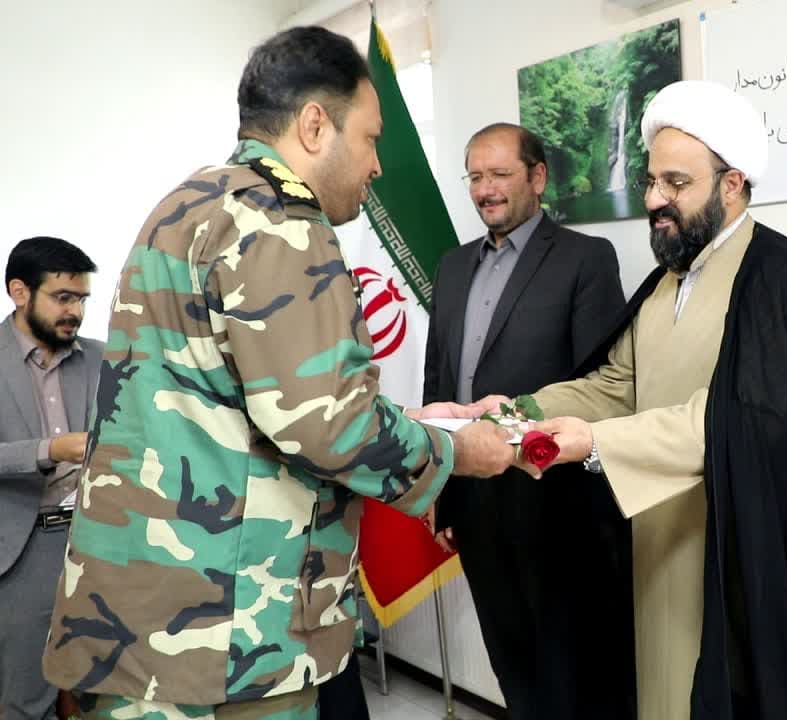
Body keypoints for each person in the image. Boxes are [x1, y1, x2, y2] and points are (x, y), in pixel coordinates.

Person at [41, 27, 521, 719]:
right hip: (226, 633)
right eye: (371, 139)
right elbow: (330, 427)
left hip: (135, 611)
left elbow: (241, 401)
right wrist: (459, 452)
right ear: (315, 125)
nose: (376, 166)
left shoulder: (188, 203)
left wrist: (418, 419)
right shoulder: (280, 219)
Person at [513, 80, 787, 719]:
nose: (654, 199)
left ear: (731, 183)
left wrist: (596, 443)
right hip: (659, 538)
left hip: (738, 551)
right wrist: (513, 412)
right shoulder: (666, 282)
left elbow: (744, 420)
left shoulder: (778, 276)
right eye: (652, 180)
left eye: (676, 183)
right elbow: (616, 384)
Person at [424, 122, 633, 720]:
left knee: (574, 671)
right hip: (473, 499)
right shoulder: (452, 267)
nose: (485, 189)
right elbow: (439, 383)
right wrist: (438, 486)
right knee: (510, 658)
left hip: (557, 502)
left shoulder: (586, 259)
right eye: (475, 177)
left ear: (537, 177)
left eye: (499, 174)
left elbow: (606, 383)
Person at [0, 237, 99, 720]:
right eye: (62, 297)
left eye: (81, 299)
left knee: (101, 691)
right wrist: (50, 451)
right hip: (20, 551)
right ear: (19, 292)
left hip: (99, 544)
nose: (74, 311)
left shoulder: (104, 359)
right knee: (26, 699)